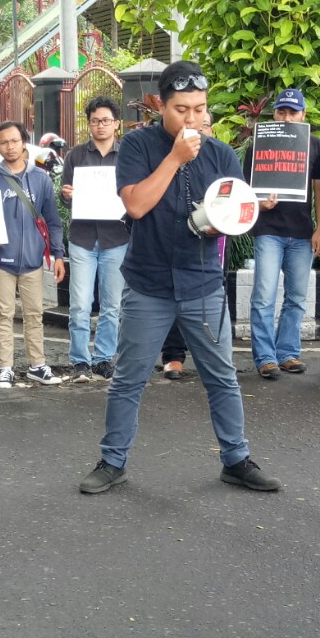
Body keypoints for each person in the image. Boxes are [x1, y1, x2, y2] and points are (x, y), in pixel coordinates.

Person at [79, 60, 279, 495]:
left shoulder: (222, 153)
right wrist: (174, 158)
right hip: (148, 283)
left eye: (201, 109)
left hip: (203, 282)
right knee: (129, 378)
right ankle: (113, 461)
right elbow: (135, 205)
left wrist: (226, 219)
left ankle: (236, 459)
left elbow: (232, 213)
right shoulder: (137, 147)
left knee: (222, 377)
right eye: (182, 109)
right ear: (160, 107)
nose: (194, 119)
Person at [246, 87, 320, 379]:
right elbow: (246, 191)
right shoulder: (259, 143)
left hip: (302, 233)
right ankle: (266, 357)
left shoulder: (315, 145)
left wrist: (319, 228)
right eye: (282, 111)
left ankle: (288, 353)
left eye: (293, 111)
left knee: (296, 297)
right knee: (264, 296)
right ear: (274, 114)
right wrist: (261, 205)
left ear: (303, 114)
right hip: (268, 230)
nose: (287, 116)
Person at [0, 120, 65, 388]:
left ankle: (37, 366)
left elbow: (52, 220)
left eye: (14, 141)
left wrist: (58, 254)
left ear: (23, 142)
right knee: (3, 314)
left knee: (34, 314)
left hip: (33, 259)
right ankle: (5, 368)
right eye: (4, 142)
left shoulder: (40, 178)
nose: (10, 146)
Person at [60, 95, 129, 381]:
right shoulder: (76, 155)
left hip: (116, 238)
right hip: (83, 239)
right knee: (80, 304)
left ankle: (103, 358)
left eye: (106, 120)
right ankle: (80, 361)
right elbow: (65, 199)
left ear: (116, 124)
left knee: (112, 305)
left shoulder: (127, 154)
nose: (100, 126)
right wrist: (66, 195)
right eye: (95, 121)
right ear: (88, 124)